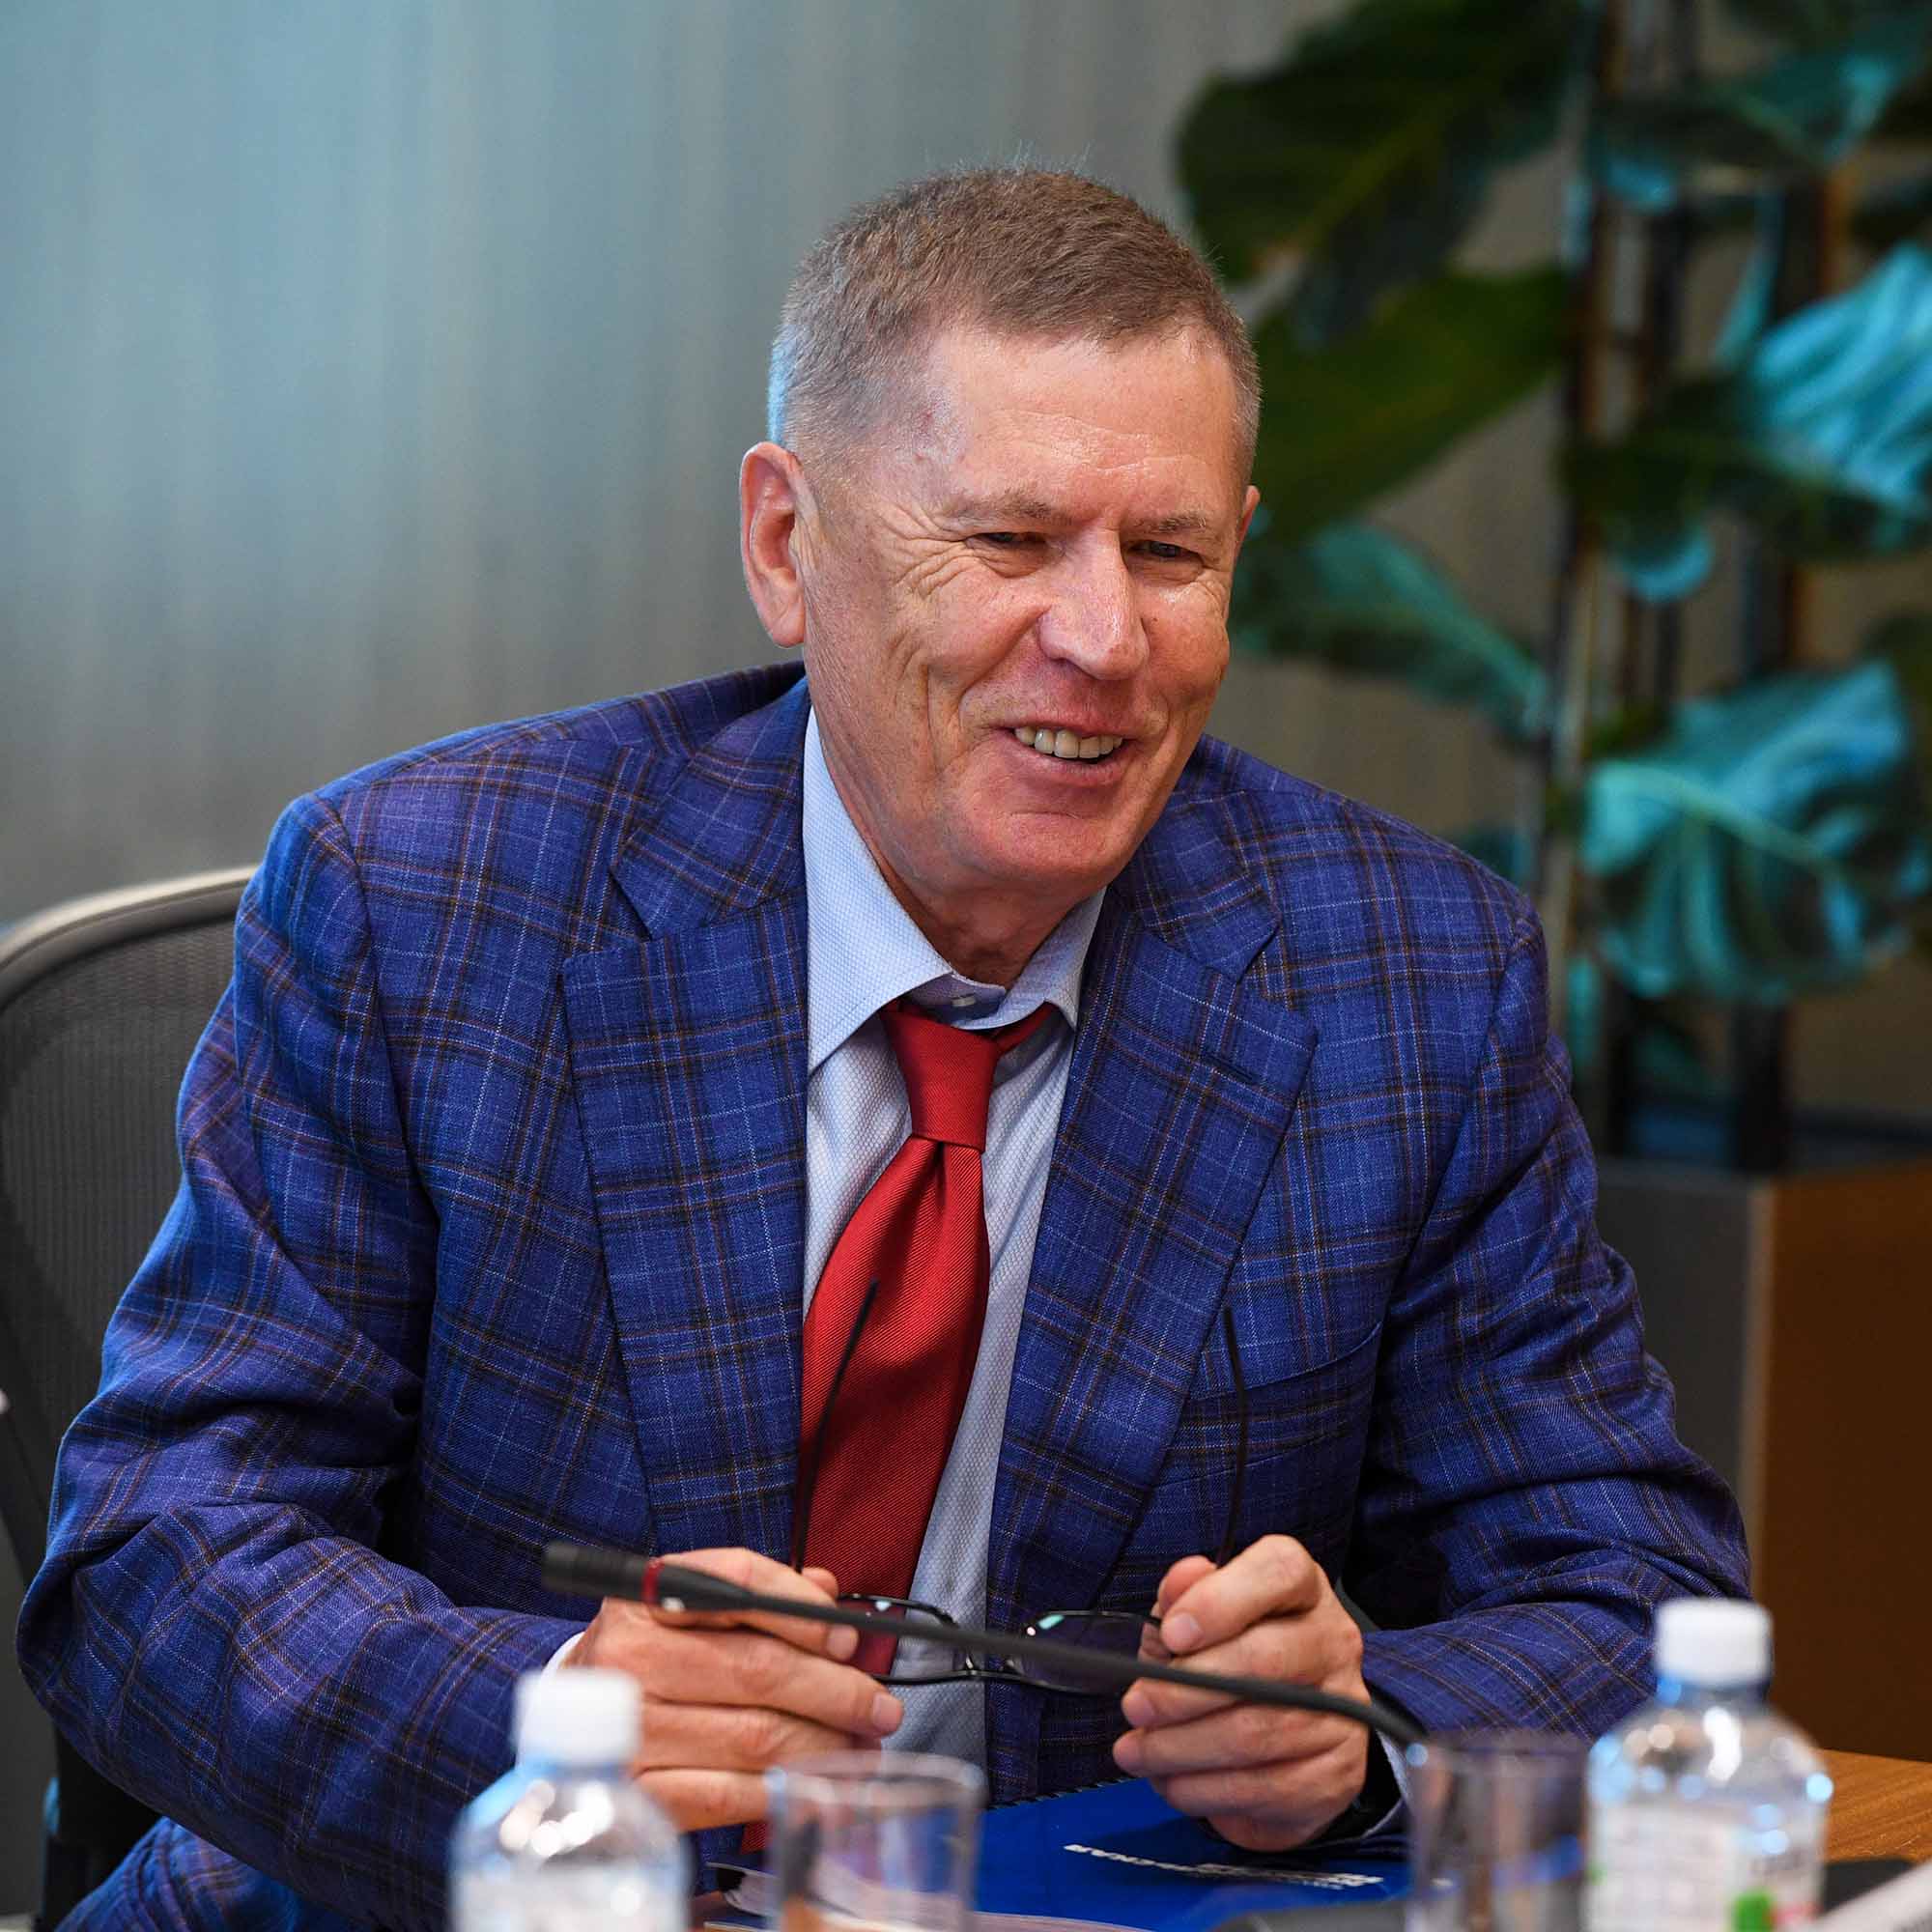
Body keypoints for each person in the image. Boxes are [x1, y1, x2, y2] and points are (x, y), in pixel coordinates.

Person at [19, 169, 1746, 1931]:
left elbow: (1633, 1592)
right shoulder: (427, 900)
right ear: (789, 546)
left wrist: (1358, 1727)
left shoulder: (1408, 974)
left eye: (1169, 556)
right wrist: (556, 1726)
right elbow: (154, 1559)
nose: (1104, 642)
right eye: (1009, 543)